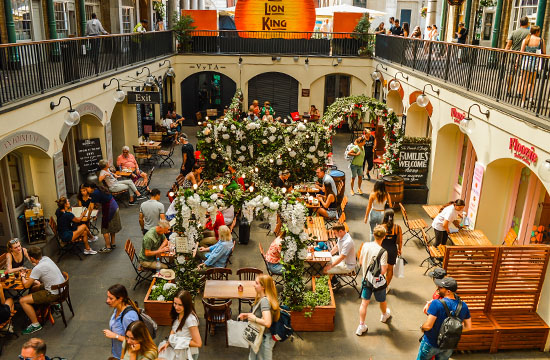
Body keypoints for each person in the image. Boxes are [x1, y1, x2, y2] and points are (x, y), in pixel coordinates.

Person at [418, 277, 472, 360]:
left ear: (448, 291)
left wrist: (422, 327)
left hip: (431, 343)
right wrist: (452, 332)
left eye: (440, 287)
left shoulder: (436, 303)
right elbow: (468, 327)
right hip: (449, 345)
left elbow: (428, 326)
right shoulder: (463, 306)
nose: (438, 289)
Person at [20, 246, 65, 334]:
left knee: (22, 301)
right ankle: (37, 308)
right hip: (61, 288)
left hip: (53, 293)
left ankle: (35, 324)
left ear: (32, 258)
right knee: (34, 288)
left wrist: (22, 276)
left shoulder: (37, 269)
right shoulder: (46, 259)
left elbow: (26, 285)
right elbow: (37, 266)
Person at [356, 225, 391, 336]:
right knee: (382, 300)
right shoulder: (383, 251)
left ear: (374, 235)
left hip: (366, 279)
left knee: (364, 303)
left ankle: (361, 326)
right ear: (384, 237)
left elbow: (361, 262)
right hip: (377, 282)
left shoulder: (365, 245)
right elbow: (383, 270)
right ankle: (384, 315)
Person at [238, 274, 280, 360]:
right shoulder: (263, 298)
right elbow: (260, 314)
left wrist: (254, 319)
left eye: (257, 283)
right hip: (261, 337)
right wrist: (247, 315)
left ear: (263, 287)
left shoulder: (264, 301)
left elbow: (267, 323)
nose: (254, 284)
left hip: (263, 338)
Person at [158, 290, 202, 360]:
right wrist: (168, 342)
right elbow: (174, 328)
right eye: (175, 303)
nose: (176, 307)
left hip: (188, 354)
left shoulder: (190, 320)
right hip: (178, 350)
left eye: (180, 305)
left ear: (186, 305)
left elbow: (198, 343)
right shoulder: (179, 312)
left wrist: (176, 340)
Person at [103, 284, 140, 360]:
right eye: (108, 297)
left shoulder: (128, 317)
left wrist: (114, 336)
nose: (107, 301)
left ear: (120, 299)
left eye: (111, 298)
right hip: (118, 352)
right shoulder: (117, 308)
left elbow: (135, 341)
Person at [83, 182, 122, 252]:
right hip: (114, 206)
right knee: (111, 226)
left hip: (109, 208)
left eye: (86, 189)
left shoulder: (94, 193)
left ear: (89, 187)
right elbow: (91, 204)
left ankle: (108, 247)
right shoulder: (98, 189)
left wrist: (87, 217)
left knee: (105, 228)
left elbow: (91, 207)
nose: (86, 191)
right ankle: (113, 243)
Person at [520, 26, 545, 107]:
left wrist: (518, 61)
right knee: (532, 81)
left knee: (524, 81)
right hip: (535, 62)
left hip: (526, 61)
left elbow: (522, 52)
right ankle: (531, 98)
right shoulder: (541, 40)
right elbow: (544, 52)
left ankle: (523, 101)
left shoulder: (526, 40)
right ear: (537, 32)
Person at [381, 209, 402, 291]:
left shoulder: (380, 227)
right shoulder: (397, 228)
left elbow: (377, 240)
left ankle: (378, 285)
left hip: (382, 250)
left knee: (380, 268)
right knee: (390, 270)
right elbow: (399, 241)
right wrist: (399, 250)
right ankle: (385, 287)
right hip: (392, 250)